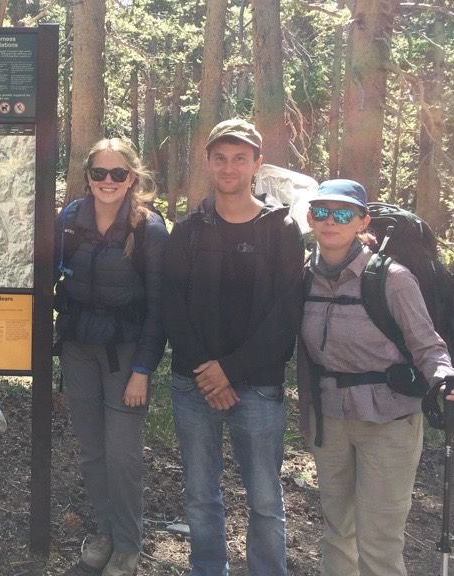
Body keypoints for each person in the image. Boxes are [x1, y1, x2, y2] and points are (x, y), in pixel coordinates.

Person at [296, 179, 454, 576]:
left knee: (379, 540)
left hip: (389, 421)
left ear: (363, 221)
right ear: (310, 218)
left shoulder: (391, 279)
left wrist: (446, 380)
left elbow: (428, 346)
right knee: (337, 531)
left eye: (342, 213)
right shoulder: (303, 276)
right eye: (322, 212)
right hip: (331, 421)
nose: (330, 221)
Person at [162, 119, 304, 576]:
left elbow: (285, 314)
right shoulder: (187, 231)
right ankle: (208, 568)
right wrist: (209, 371)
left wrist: (231, 370)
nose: (229, 167)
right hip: (193, 384)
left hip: (259, 387)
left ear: (257, 164)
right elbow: (172, 306)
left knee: (264, 498)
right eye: (220, 158)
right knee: (201, 495)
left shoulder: (280, 229)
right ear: (208, 163)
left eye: (239, 158)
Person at [55, 138, 168, 576]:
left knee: (123, 455)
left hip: (125, 355)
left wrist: (143, 370)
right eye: (99, 173)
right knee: (91, 450)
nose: (107, 181)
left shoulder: (149, 229)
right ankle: (104, 533)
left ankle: (128, 544)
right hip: (78, 349)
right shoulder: (68, 220)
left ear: (132, 178)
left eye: (117, 174)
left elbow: (159, 307)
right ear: (87, 177)